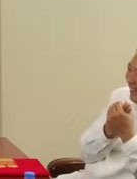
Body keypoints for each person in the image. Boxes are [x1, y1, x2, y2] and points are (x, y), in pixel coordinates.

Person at [58, 51, 137, 179]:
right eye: (129, 69)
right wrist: (107, 132)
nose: (130, 79)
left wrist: (127, 135)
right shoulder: (121, 96)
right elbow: (87, 155)